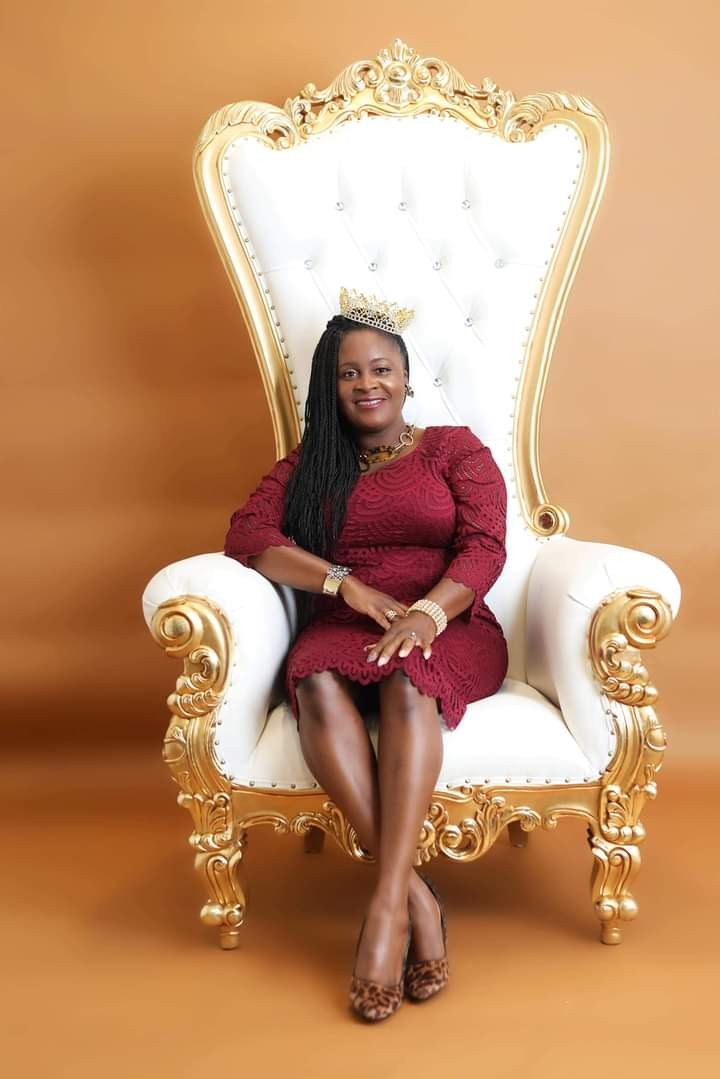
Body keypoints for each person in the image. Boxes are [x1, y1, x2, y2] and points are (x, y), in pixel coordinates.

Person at [224, 285, 509, 1022]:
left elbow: (485, 548)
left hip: (450, 623)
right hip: (347, 623)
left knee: (408, 681)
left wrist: (425, 614)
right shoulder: (311, 465)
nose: (366, 384)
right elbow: (248, 536)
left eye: (381, 369)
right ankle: (416, 897)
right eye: (348, 373)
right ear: (331, 387)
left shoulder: (455, 450)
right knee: (314, 677)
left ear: (407, 377)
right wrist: (342, 584)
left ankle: (384, 910)